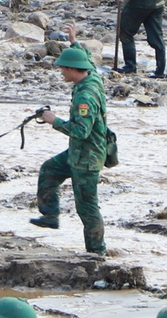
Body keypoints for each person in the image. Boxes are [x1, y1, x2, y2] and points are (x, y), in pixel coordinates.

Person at [32, 46, 110, 255]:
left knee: (87, 208)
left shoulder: (86, 96)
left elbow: (81, 131)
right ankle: (50, 216)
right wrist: (74, 43)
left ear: (73, 69)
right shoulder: (91, 77)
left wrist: (53, 120)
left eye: (63, 69)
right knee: (49, 170)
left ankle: (96, 252)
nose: (61, 73)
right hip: (76, 153)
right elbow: (91, 63)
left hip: (87, 159)